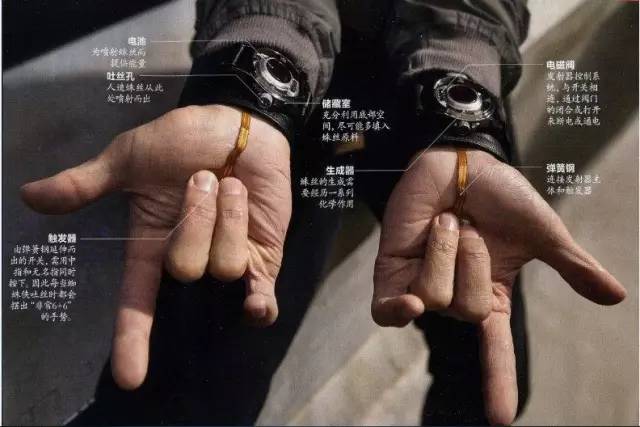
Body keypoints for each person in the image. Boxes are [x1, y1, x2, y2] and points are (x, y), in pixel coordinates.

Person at [21, 0, 626, 425]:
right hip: (287, 79)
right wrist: (252, 80)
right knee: (191, 391)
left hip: (428, 81)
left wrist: (457, 104)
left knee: (489, 376)